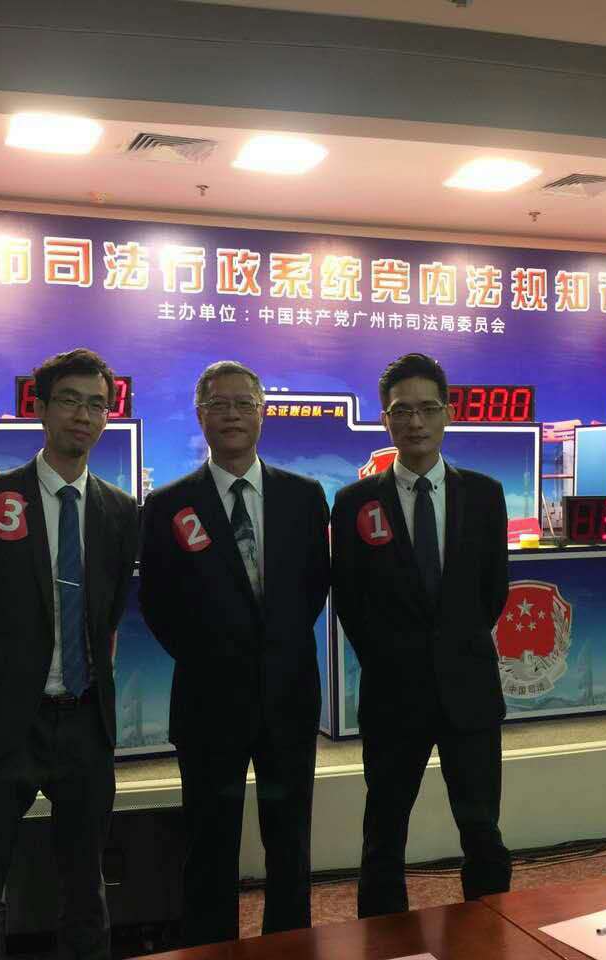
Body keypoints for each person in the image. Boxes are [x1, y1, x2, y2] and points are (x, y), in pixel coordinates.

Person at [0, 349, 139, 960]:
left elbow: (109, 613)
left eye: (97, 405)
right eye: (70, 400)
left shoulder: (119, 509)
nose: (84, 415)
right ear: (42, 407)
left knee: (85, 883)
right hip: (8, 722)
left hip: (84, 721)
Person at [138, 360, 330, 946]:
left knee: (290, 842)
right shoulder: (168, 505)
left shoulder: (303, 497)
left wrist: (272, 656)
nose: (232, 415)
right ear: (200, 416)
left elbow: (313, 589)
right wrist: (215, 659)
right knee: (209, 845)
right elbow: (158, 605)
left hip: (288, 698)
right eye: (218, 404)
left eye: (244, 403)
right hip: (208, 703)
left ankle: (289, 948)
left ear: (262, 414)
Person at [331, 351, 512, 917]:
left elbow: (492, 592)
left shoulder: (485, 495)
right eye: (401, 411)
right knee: (384, 830)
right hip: (394, 694)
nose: (415, 422)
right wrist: (394, 659)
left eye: (427, 409)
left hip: (469, 691)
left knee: (481, 827)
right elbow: (350, 601)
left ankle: (492, 933)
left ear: (448, 413)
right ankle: (382, 940)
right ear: (385, 419)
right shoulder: (355, 503)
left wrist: (453, 648)